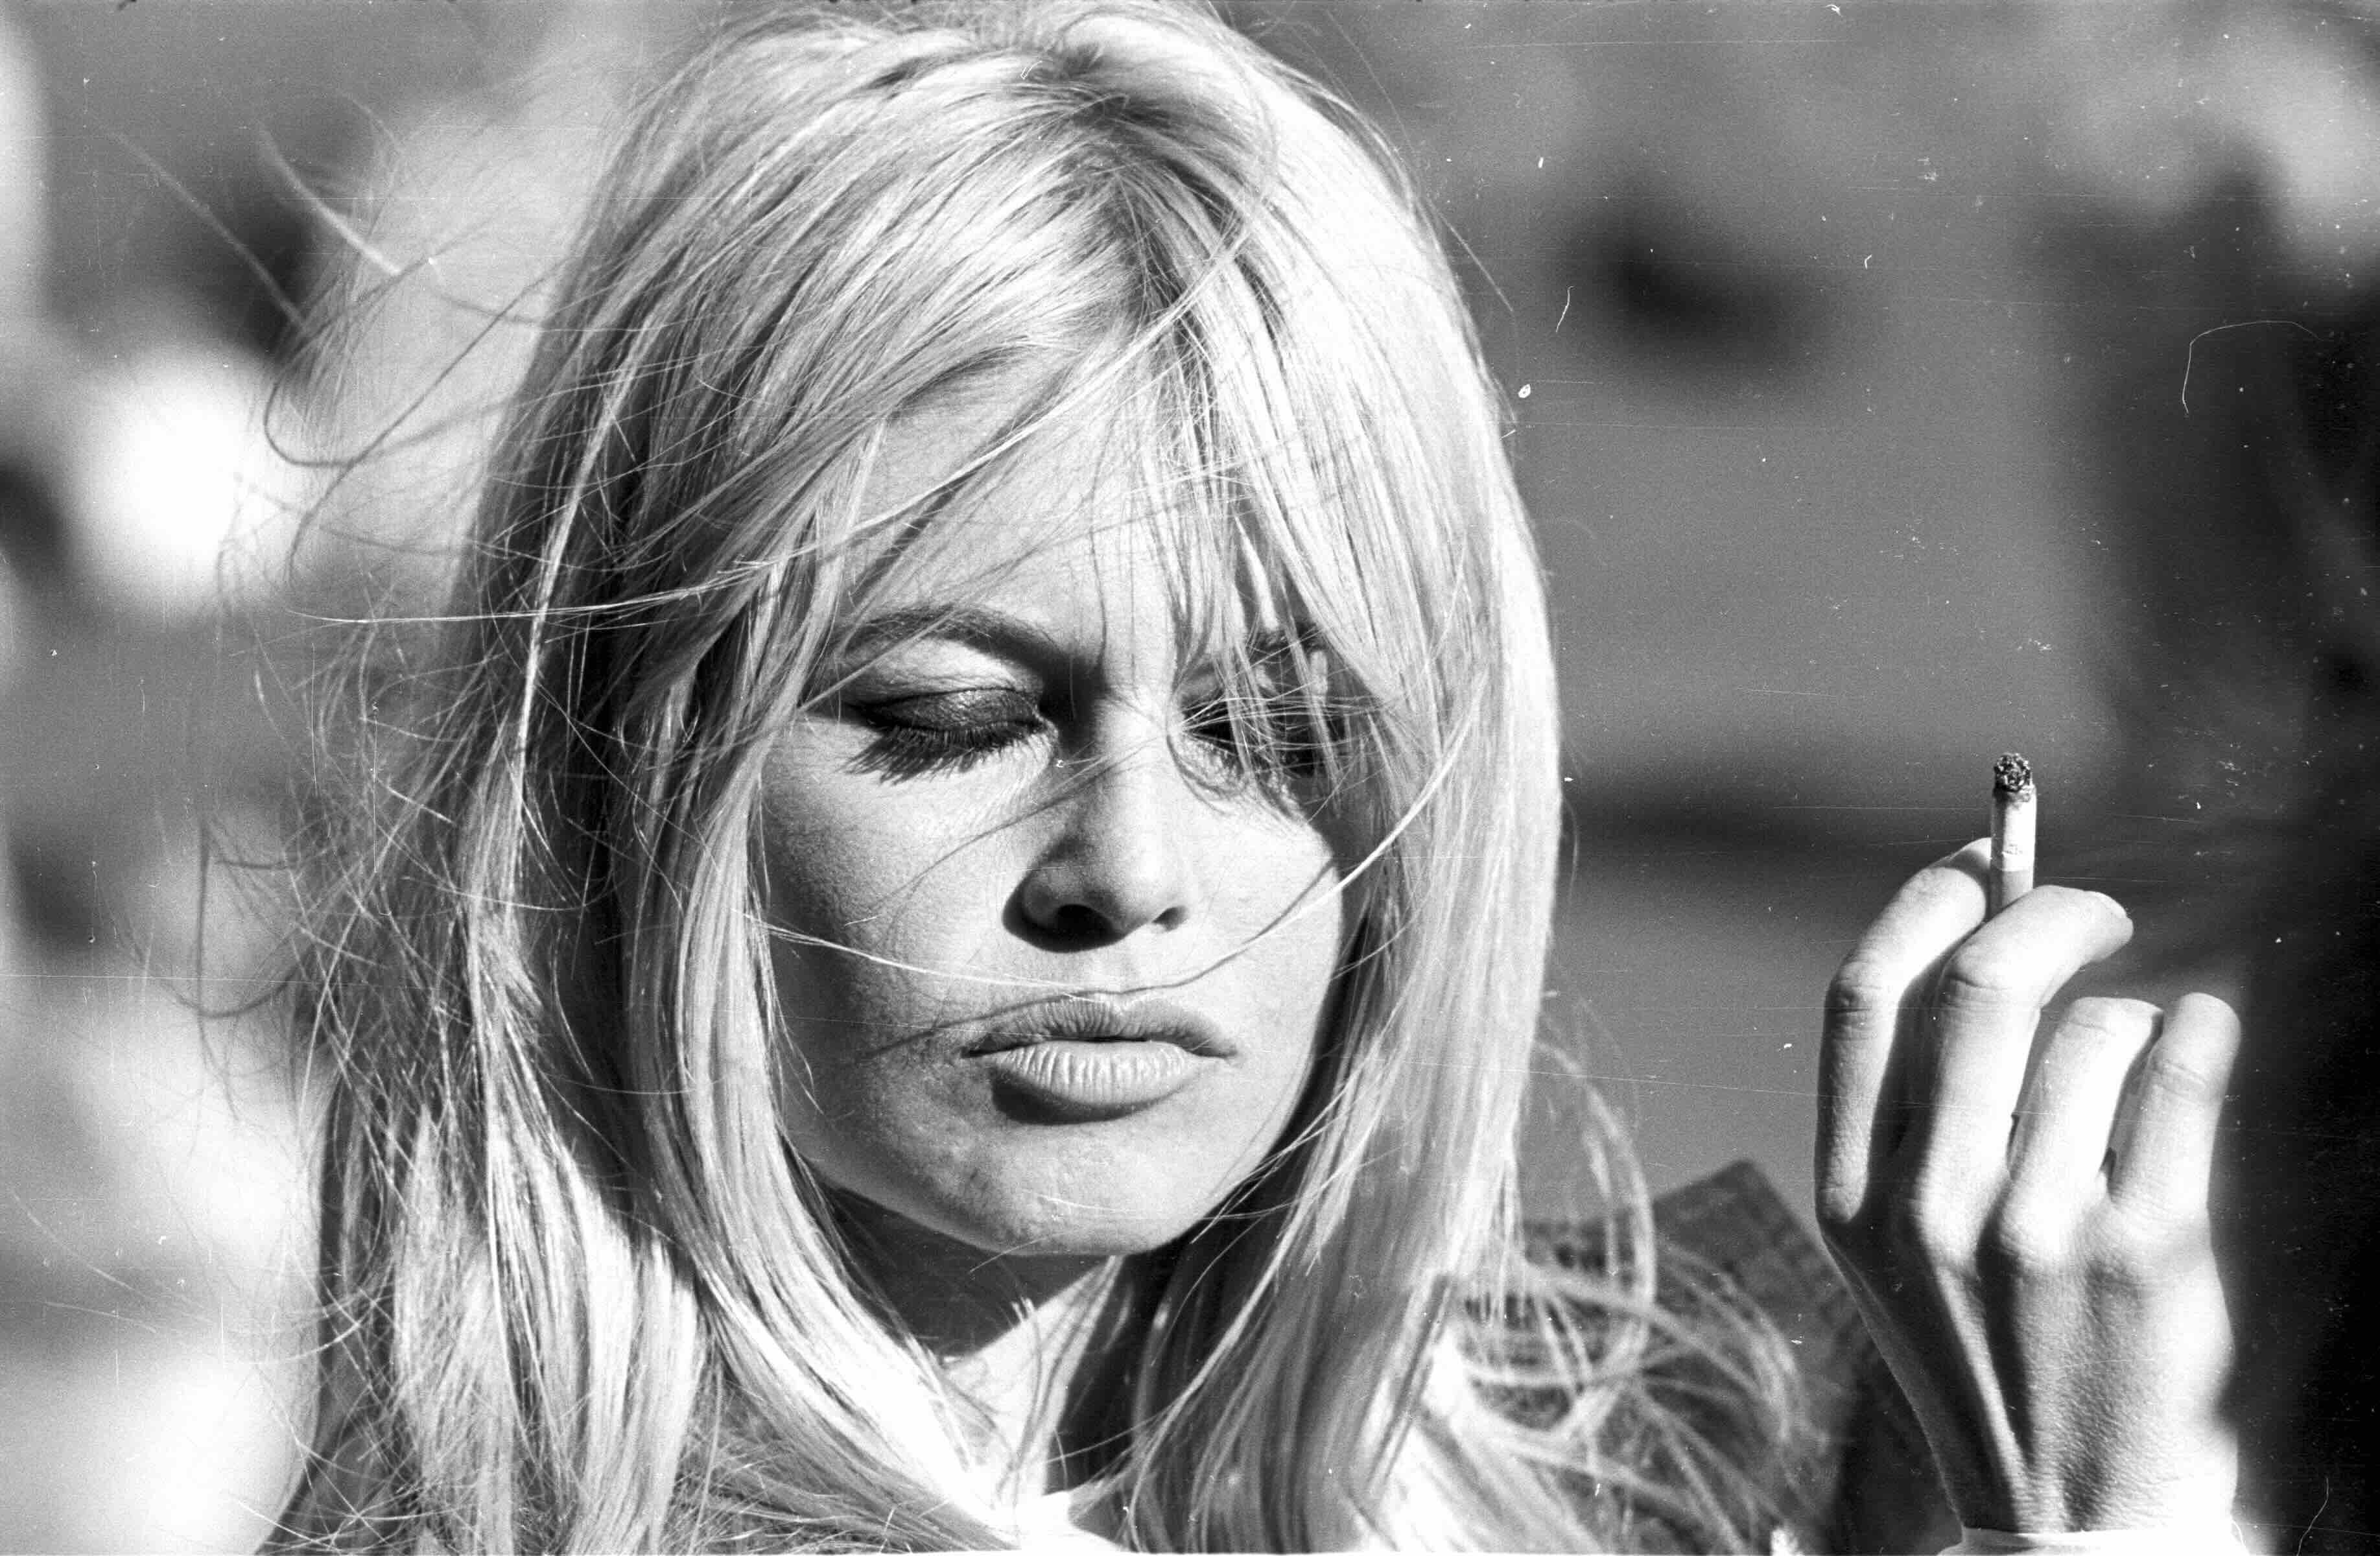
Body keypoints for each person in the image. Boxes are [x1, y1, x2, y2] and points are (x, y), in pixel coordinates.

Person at [269, 2, 2244, 1548]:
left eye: (1281, 739)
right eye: (956, 719)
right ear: (627, 762)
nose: (1125, 867)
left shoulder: (1685, 1444)